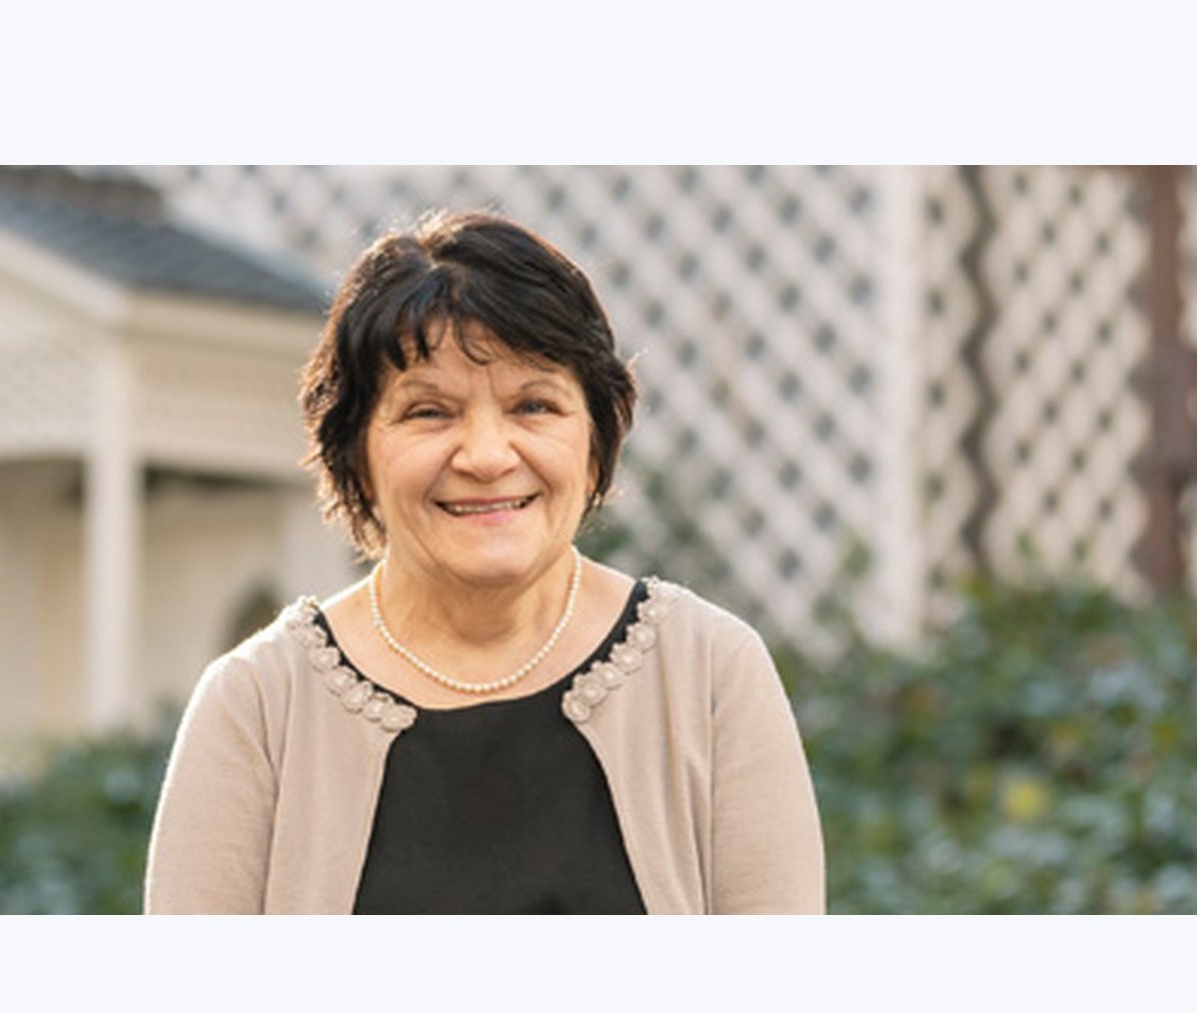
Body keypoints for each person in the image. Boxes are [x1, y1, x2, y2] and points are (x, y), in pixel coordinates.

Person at [145, 210, 824, 914]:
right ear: (356, 454)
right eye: (429, 412)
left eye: (534, 405)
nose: (487, 456)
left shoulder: (709, 673)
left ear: (595, 442)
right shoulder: (257, 706)